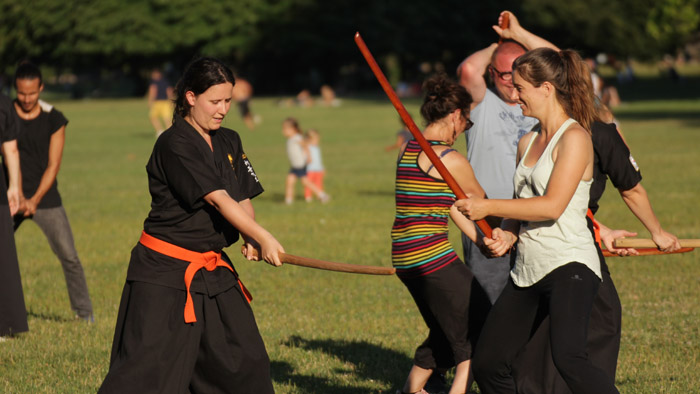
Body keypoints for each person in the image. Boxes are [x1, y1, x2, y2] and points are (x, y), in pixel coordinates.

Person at [99, 57, 285, 393]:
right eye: (215, 101)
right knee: (150, 372)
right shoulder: (174, 144)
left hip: (213, 269)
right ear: (190, 97)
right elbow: (217, 198)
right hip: (165, 272)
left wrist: (249, 233)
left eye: (228, 101)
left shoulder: (229, 140)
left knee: (245, 361)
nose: (223, 109)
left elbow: (240, 196)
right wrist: (264, 237)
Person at [455, 47, 619, 394]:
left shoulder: (575, 139)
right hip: (527, 269)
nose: (514, 95)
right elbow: (522, 204)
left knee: (569, 357)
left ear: (546, 89)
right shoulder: (527, 141)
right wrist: (508, 233)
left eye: (521, 88)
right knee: (489, 364)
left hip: (569, 264)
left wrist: (486, 207)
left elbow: (551, 206)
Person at [392, 74, 489, 394]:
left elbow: (450, 207)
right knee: (479, 325)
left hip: (406, 258)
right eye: (466, 123)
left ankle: (411, 391)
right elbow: (480, 204)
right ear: (455, 116)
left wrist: (480, 241)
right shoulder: (449, 160)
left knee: (445, 333)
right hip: (431, 257)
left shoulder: (407, 151)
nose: (463, 131)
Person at [456, 10, 556, 304]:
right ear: (491, 72)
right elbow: (468, 72)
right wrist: (498, 43)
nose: (513, 83)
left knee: (536, 302)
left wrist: (519, 35)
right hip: (489, 218)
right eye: (504, 74)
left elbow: (565, 64)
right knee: (490, 299)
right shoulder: (480, 102)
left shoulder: (543, 101)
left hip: (537, 216)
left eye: (520, 75)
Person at [11, 62, 94, 322]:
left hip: (45, 198)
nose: (26, 98)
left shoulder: (54, 118)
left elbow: (53, 164)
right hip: (10, 196)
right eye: (22, 93)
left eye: (32, 93)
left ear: (41, 88)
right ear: (16, 89)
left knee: (69, 256)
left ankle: (84, 314)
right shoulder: (5, 115)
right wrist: (18, 197)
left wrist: (34, 200)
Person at [0, 92, 28, 339]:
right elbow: (11, 149)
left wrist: (14, 187)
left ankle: (5, 324)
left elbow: (11, 148)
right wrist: (14, 187)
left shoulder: (3, 103)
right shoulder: (4, 103)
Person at [282, 117, 329, 204]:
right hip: (295, 165)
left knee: (305, 182)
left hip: (300, 165)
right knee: (290, 181)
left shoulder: (297, 138)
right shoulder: (292, 139)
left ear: (293, 129)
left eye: (285, 129)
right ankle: (288, 201)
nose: (283, 131)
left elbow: (305, 145)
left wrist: (308, 156)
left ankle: (322, 195)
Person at [148, 68, 174, 136]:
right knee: (167, 118)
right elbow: (169, 91)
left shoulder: (154, 83)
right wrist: (171, 100)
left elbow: (153, 91)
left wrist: (150, 101)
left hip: (157, 102)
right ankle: (169, 133)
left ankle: (160, 131)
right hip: (165, 102)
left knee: (152, 117)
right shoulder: (166, 82)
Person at [303, 129, 327, 202]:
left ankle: (319, 196)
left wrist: (322, 168)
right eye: (315, 140)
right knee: (309, 184)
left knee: (319, 184)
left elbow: (319, 160)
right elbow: (304, 157)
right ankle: (308, 196)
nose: (317, 141)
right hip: (310, 169)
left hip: (318, 169)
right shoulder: (307, 148)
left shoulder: (317, 148)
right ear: (309, 140)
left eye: (318, 139)